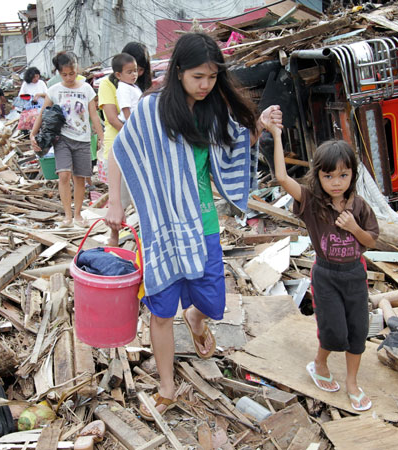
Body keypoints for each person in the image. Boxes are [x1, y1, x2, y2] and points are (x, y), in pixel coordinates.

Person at [105, 32, 281, 420]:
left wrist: (262, 124)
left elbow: (237, 144)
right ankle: (167, 386)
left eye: (212, 78)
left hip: (202, 224)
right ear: (179, 72)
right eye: (198, 77)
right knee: (161, 310)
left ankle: (197, 320)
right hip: (161, 228)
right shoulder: (151, 111)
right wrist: (115, 201)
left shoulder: (214, 111)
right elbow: (119, 153)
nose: (205, 85)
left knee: (213, 302)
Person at [270, 133, 379, 411]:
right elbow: (282, 178)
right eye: (328, 176)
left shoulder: (360, 207)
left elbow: (371, 241)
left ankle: (352, 384)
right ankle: (319, 364)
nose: (336, 182)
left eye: (343, 175)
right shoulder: (312, 203)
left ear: (352, 175)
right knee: (333, 331)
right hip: (326, 275)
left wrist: (354, 227)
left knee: (357, 331)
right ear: (317, 176)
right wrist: (277, 134)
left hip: (355, 273)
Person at [31, 51, 104, 228]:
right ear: (59, 73)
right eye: (64, 74)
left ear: (76, 69)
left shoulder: (86, 89)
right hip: (62, 138)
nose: (69, 77)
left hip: (83, 138)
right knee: (64, 175)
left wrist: (101, 137)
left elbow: (94, 115)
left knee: (80, 178)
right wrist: (32, 134)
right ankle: (67, 216)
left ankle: (78, 215)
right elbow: (43, 113)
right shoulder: (54, 91)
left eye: (72, 73)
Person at [97, 42, 153, 247]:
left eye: (139, 70)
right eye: (132, 70)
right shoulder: (108, 84)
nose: (136, 74)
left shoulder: (137, 86)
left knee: (142, 198)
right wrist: (134, 133)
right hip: (118, 146)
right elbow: (112, 118)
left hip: (139, 148)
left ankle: (143, 237)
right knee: (119, 199)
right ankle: (113, 239)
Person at [113, 53, 142, 123]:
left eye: (135, 71)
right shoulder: (123, 88)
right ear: (118, 75)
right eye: (129, 72)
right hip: (131, 121)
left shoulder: (132, 86)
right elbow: (125, 108)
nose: (134, 74)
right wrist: (131, 125)